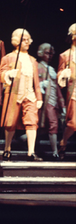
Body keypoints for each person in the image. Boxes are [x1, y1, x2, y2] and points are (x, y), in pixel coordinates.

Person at [0, 29, 43, 161]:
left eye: (28, 39)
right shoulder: (8, 57)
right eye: (24, 39)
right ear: (17, 41)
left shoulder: (32, 60)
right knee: (10, 122)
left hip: (30, 95)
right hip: (14, 94)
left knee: (32, 122)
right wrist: (7, 74)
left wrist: (39, 97)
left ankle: (31, 152)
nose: (27, 42)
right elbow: (0, 74)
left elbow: (36, 81)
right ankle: (7, 149)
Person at [37, 43, 66, 160]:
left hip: (53, 101)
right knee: (45, 125)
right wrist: (40, 85)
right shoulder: (38, 67)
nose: (49, 56)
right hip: (44, 101)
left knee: (53, 125)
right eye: (47, 53)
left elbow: (57, 89)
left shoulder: (52, 69)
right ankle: (53, 151)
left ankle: (55, 151)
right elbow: (34, 84)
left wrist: (62, 104)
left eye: (51, 53)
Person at [57, 23, 76, 160]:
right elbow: (59, 75)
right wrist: (64, 73)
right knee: (74, 122)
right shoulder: (66, 55)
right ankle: (63, 141)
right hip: (74, 91)